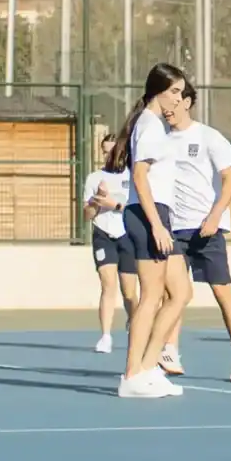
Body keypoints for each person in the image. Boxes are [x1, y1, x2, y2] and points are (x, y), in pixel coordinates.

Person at [157, 82, 231, 382]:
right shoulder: (159, 140)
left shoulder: (209, 137)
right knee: (173, 293)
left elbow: (229, 180)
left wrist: (214, 217)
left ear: (186, 102)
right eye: (163, 102)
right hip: (173, 229)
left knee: (222, 291)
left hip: (206, 229)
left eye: (173, 101)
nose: (167, 108)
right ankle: (169, 351)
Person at [112, 63, 192, 399]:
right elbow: (141, 178)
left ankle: (148, 367)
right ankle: (132, 374)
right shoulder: (149, 125)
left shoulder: (156, 125)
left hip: (158, 214)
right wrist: (157, 224)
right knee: (151, 296)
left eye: (181, 92)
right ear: (157, 90)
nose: (179, 98)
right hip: (148, 215)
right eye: (174, 91)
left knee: (180, 293)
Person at [80, 134, 134, 354]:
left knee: (129, 291)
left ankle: (134, 324)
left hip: (128, 234)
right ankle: (105, 335)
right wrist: (96, 200)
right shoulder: (94, 178)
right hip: (104, 234)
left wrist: (116, 204)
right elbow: (87, 214)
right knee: (107, 284)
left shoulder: (133, 176)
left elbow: (136, 210)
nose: (108, 155)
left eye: (112, 150)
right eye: (104, 151)